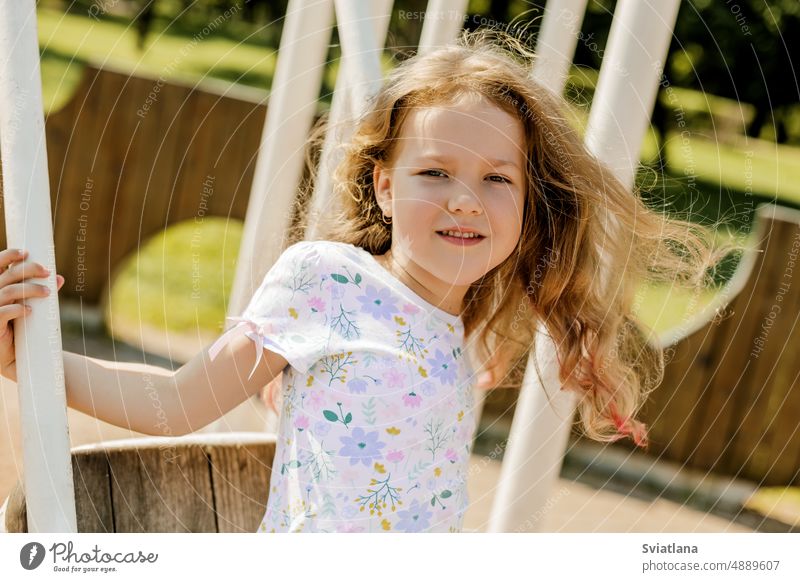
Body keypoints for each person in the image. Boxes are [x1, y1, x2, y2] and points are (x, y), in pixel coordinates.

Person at [0, 30, 735, 532]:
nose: (463, 199)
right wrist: (35, 363)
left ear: (527, 201)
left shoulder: (470, 323)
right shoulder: (326, 279)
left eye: (495, 179)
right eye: (434, 172)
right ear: (384, 186)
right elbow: (180, 399)